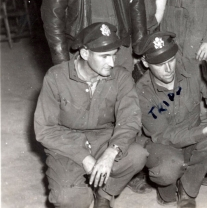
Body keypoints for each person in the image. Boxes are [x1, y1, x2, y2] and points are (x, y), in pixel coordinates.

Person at [34, 22, 148, 208]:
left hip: (104, 139)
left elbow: (130, 119)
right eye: (104, 56)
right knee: (69, 199)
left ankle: (104, 193)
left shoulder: (121, 77)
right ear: (85, 53)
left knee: (137, 155)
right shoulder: (56, 77)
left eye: (113, 55)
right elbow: (45, 130)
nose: (111, 63)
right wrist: (83, 157)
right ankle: (85, 193)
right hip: (67, 144)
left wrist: (111, 153)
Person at [134, 31, 207, 207]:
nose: (169, 69)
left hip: (192, 135)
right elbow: (165, 136)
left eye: (171, 60)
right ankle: (167, 193)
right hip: (163, 145)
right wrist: (206, 130)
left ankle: (187, 191)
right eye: (160, 64)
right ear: (146, 63)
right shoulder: (141, 92)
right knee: (167, 169)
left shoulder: (193, 69)